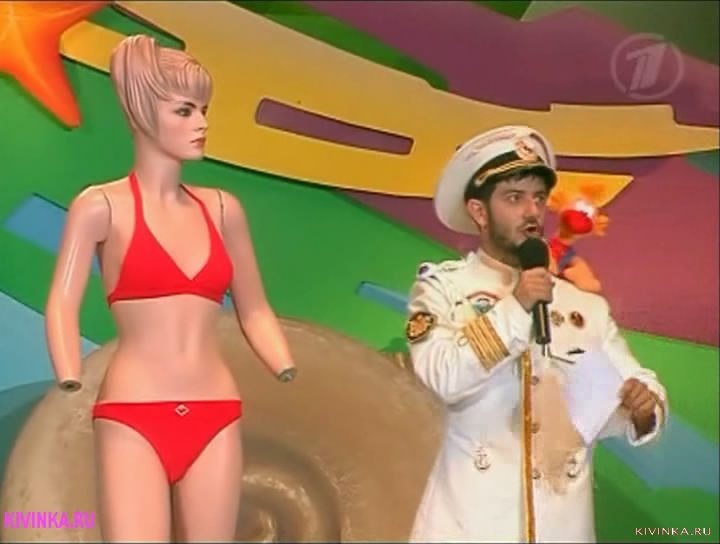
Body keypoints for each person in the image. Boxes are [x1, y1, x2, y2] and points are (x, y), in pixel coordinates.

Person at [44, 34, 297, 542]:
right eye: (184, 110)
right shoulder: (100, 206)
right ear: (142, 114)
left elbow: (254, 308)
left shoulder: (222, 209)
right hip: (133, 411)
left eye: (203, 110)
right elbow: (62, 303)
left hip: (215, 408)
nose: (201, 123)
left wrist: (281, 359)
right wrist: (69, 371)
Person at [405, 125, 668, 543]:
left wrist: (642, 406)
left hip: (563, 528)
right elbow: (442, 377)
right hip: (469, 526)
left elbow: (632, 387)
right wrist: (517, 306)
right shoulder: (444, 288)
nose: (532, 212)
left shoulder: (583, 307)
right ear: (478, 211)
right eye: (514, 198)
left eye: (539, 198)